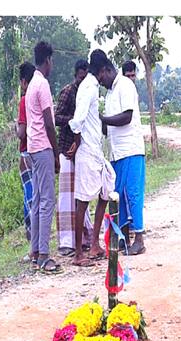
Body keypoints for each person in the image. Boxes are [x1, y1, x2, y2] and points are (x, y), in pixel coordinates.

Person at [66, 50, 116, 267]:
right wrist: (77, 143)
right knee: (83, 201)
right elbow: (77, 121)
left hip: (95, 150)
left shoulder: (92, 87)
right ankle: (79, 253)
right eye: (107, 72)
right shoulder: (88, 88)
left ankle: (94, 243)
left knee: (107, 187)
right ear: (102, 69)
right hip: (87, 150)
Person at [97, 50, 146, 255]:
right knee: (117, 196)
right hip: (116, 152)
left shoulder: (125, 85)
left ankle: (140, 239)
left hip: (131, 149)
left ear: (108, 70)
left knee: (132, 194)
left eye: (101, 77)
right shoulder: (109, 93)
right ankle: (123, 238)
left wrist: (102, 118)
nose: (101, 81)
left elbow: (126, 117)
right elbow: (108, 127)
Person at [25, 41, 61, 273]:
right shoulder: (43, 84)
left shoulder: (30, 85)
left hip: (32, 148)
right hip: (43, 147)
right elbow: (49, 122)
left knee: (38, 200)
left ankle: (35, 250)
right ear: (47, 60)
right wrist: (57, 153)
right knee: (47, 201)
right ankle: (44, 256)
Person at [54, 59, 93, 257]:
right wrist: (73, 121)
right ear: (77, 74)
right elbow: (56, 117)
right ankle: (66, 242)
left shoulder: (89, 92)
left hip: (81, 150)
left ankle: (84, 237)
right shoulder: (69, 92)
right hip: (66, 151)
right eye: (80, 77)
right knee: (66, 199)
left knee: (82, 196)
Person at [16, 62, 35, 243]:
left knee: (29, 198)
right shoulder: (39, 96)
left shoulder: (24, 100)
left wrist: (16, 127)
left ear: (23, 82)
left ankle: (31, 239)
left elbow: (21, 133)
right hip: (40, 153)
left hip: (26, 153)